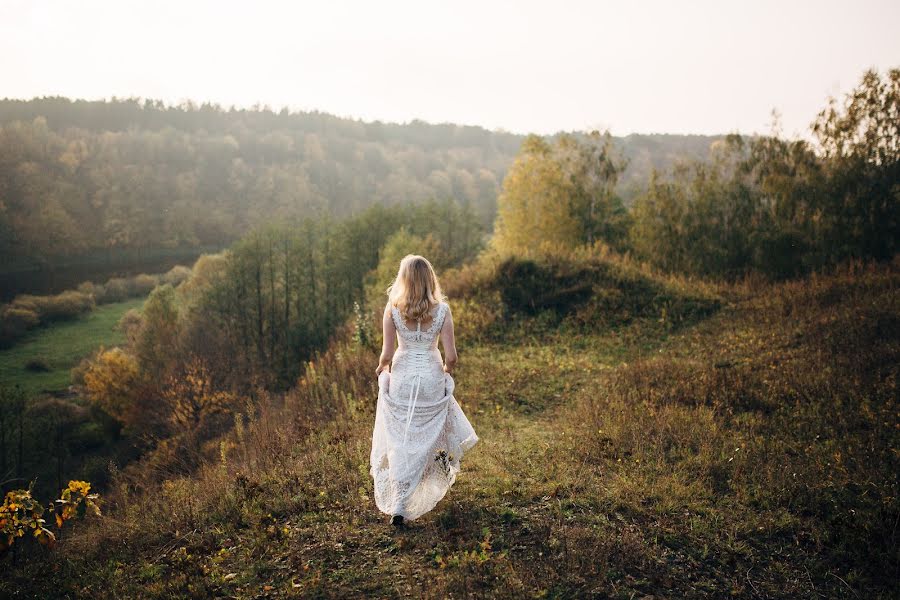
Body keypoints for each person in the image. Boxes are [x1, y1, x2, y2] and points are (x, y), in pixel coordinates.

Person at [370, 254, 479, 528]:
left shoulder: (393, 309)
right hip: (430, 376)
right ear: (430, 278)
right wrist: (444, 373)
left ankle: (399, 501)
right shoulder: (442, 310)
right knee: (429, 436)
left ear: (403, 279)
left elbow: (386, 353)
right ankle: (418, 487)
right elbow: (451, 357)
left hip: (403, 378)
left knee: (402, 438)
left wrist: (383, 369)